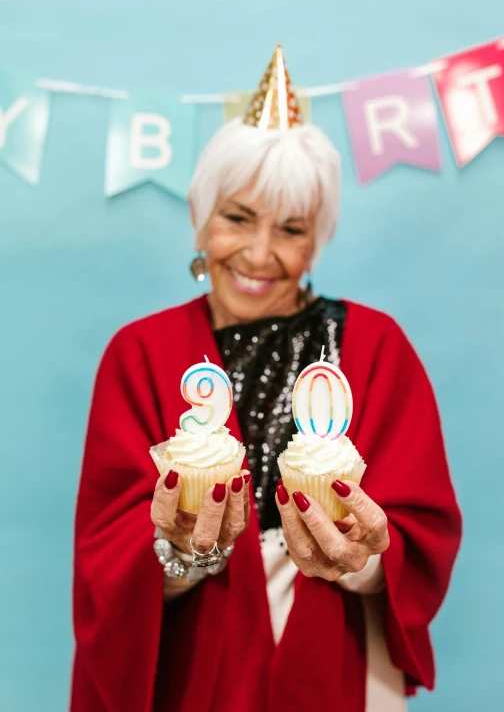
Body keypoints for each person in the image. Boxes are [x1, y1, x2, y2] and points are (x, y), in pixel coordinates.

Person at [71, 46, 462, 712]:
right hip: (191, 664)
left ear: (318, 240)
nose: (258, 253)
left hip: (337, 658)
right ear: (201, 215)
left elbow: (420, 538)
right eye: (237, 218)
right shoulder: (138, 353)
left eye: (291, 228)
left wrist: (363, 554)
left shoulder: (375, 348)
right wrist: (179, 550)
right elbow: (104, 563)